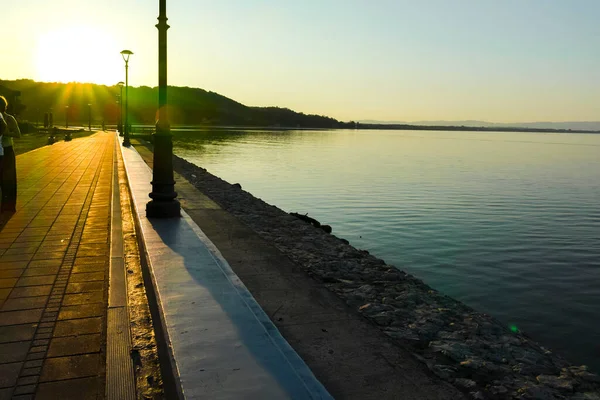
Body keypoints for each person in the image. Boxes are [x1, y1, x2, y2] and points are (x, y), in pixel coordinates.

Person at [0, 96, 20, 213]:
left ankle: (8, 206)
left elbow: (18, 134)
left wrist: (6, 133)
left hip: (7, 151)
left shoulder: (9, 119)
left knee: (8, 180)